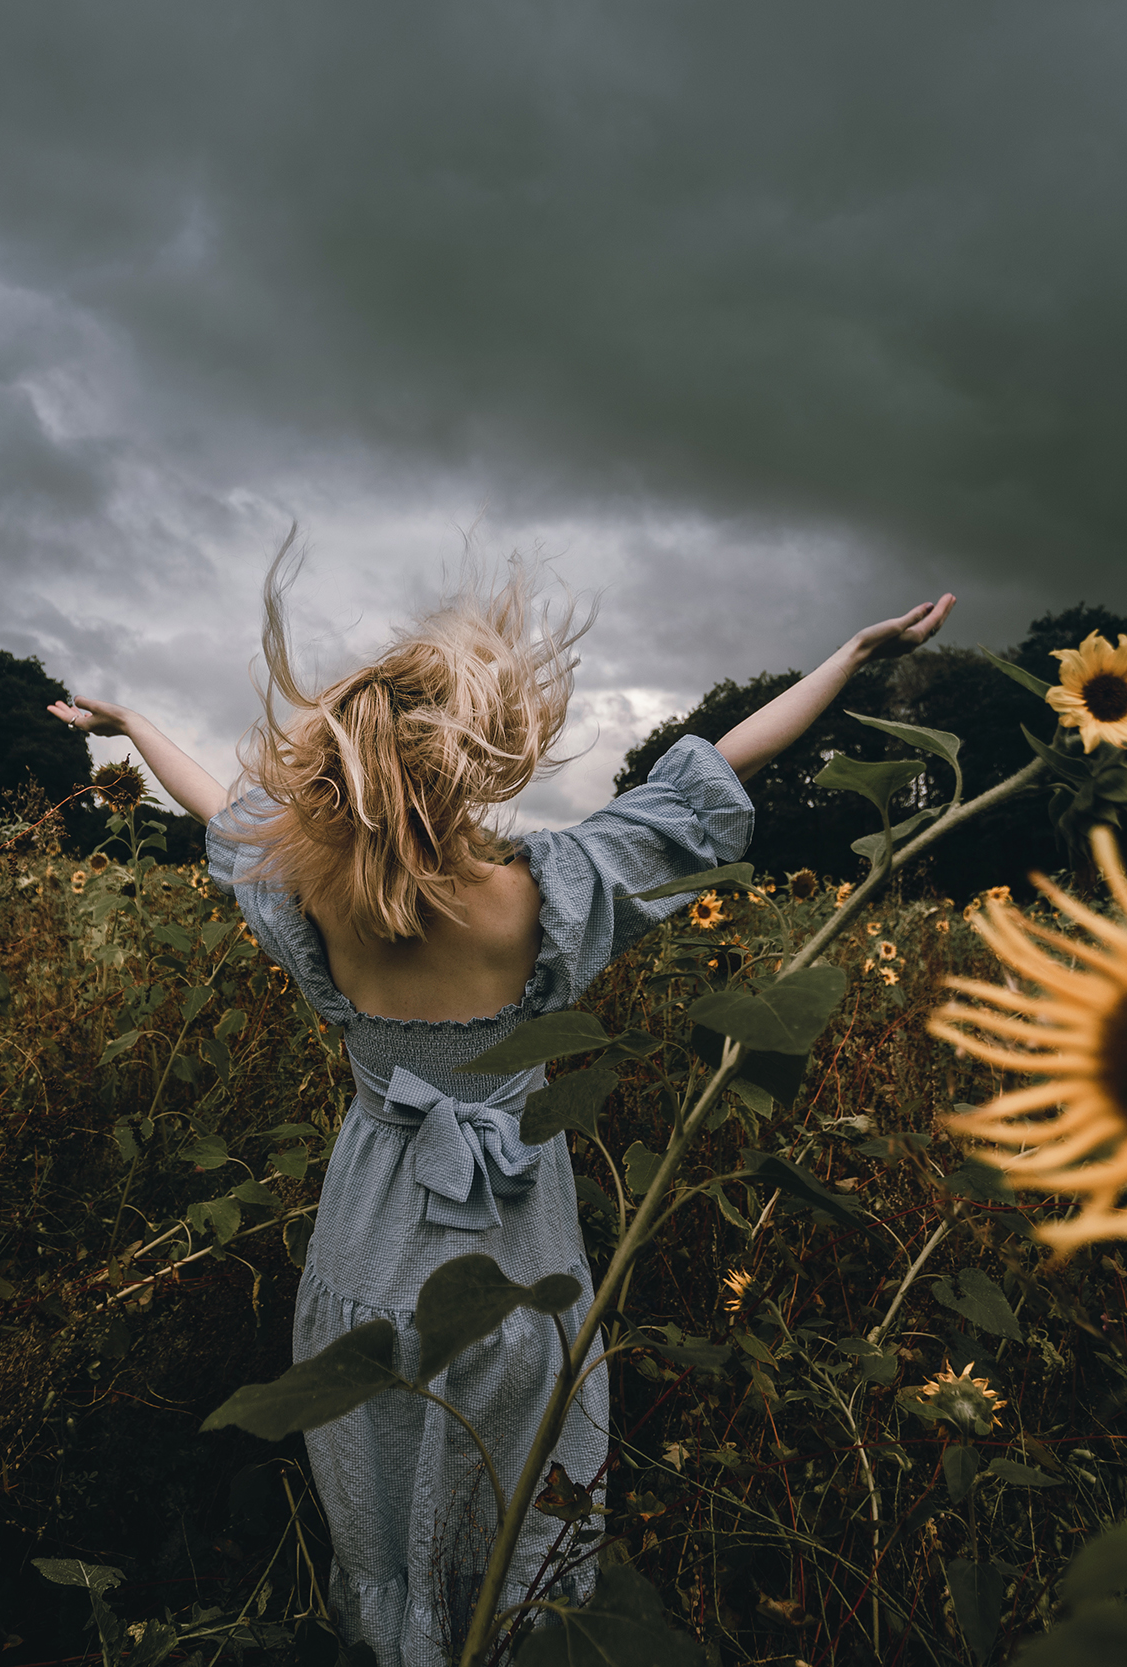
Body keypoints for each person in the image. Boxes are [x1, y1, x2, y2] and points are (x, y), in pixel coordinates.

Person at [50, 543, 953, 1667]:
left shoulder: (306, 885)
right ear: (471, 766)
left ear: (349, 765)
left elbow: (216, 804)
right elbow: (717, 768)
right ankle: (509, 1629)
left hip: (371, 1227)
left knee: (378, 1425)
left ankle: (401, 1634)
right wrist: (850, 656)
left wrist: (131, 718)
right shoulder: (548, 892)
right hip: (521, 1232)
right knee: (515, 1430)